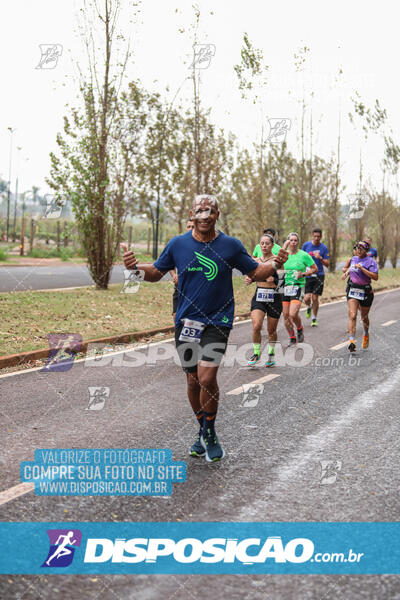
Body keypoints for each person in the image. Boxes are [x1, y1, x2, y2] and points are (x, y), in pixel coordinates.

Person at [122, 195, 288, 462]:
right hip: (186, 322)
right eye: (199, 211)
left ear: (217, 214)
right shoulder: (178, 244)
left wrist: (276, 264)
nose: (204, 215)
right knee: (192, 379)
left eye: (209, 211)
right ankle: (203, 427)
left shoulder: (230, 245)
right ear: (192, 213)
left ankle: (209, 432)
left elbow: (256, 272)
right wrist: (134, 268)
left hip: (217, 320)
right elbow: (155, 272)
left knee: (207, 377)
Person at [245, 233, 283, 367]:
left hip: (274, 297)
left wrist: (276, 280)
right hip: (259, 296)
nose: (264, 246)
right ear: (259, 245)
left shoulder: (277, 261)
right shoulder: (256, 261)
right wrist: (250, 279)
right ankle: (256, 354)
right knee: (256, 326)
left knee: (271, 331)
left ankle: (271, 355)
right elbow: (252, 275)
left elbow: (283, 282)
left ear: (272, 245)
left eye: (267, 243)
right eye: (262, 243)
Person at [341, 240, 378, 352]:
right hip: (353, 289)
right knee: (352, 315)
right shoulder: (352, 259)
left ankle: (366, 334)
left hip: (366, 291)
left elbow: (375, 277)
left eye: (361, 249)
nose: (358, 250)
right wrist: (346, 271)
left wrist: (362, 269)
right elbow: (345, 268)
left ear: (366, 250)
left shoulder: (371, 261)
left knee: (364, 317)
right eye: (357, 248)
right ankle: (351, 341)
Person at [282, 232, 317, 346]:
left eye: (295, 240)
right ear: (288, 241)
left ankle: (300, 328)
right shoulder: (284, 255)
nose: (293, 242)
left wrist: (303, 274)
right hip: (284, 287)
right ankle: (292, 337)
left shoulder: (304, 255)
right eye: (291, 240)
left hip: (298, 286)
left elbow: (314, 269)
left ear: (298, 242)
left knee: (293, 314)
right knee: (286, 315)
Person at [302, 228, 330, 326]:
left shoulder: (324, 248)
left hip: (319, 275)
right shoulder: (306, 246)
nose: (317, 238)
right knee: (306, 298)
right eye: (315, 236)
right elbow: (301, 258)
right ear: (312, 236)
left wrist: (320, 258)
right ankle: (309, 307)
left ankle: (314, 318)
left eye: (318, 236)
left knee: (315, 298)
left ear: (321, 237)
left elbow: (327, 264)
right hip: (308, 274)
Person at [171, 219, 194, 322]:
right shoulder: (179, 244)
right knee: (176, 317)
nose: (190, 229)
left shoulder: (204, 245)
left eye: (193, 227)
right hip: (180, 287)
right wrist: (174, 275)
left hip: (196, 289)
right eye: (188, 227)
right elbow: (169, 264)